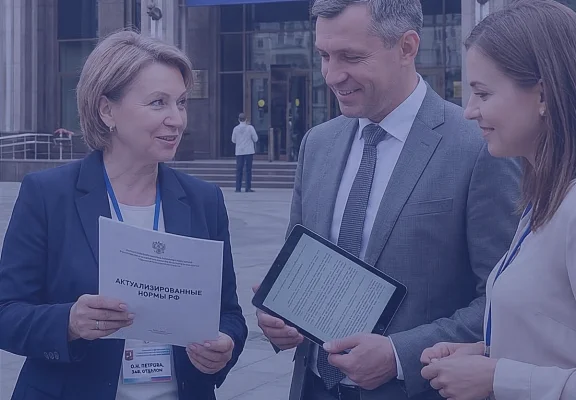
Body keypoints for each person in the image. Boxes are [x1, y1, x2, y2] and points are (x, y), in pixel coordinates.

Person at [253, 0, 522, 399]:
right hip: (312, 386)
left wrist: (399, 354)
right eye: (324, 56)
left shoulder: (478, 146)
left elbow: (505, 302)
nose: (332, 75)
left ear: (407, 47)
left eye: (351, 57)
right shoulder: (318, 144)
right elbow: (298, 264)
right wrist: (280, 313)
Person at [0, 30, 247, 400]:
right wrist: (69, 322)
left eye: (181, 103)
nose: (177, 119)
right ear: (107, 110)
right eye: (158, 103)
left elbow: (228, 313)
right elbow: (6, 313)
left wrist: (225, 345)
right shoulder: (48, 195)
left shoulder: (204, 200)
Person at [420, 1, 576, 399]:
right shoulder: (543, 200)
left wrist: (496, 378)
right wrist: (487, 352)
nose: (469, 111)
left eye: (482, 93)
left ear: (543, 94)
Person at [232, 112, 258, 193]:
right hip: (249, 150)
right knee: (248, 170)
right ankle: (248, 187)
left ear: (238, 120)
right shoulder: (250, 128)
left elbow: (233, 140)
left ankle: (238, 188)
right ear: (246, 119)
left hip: (239, 151)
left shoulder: (236, 129)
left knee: (239, 170)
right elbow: (255, 139)